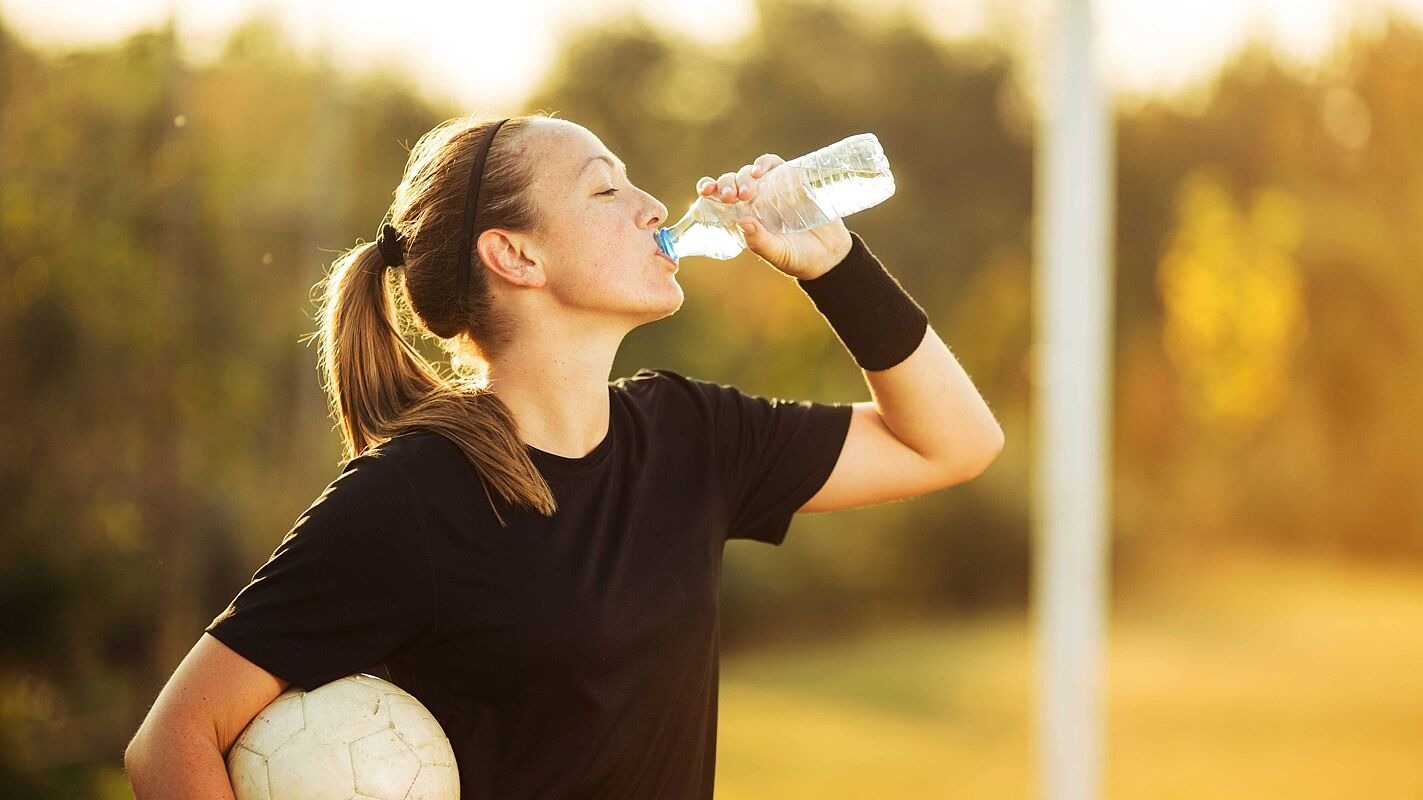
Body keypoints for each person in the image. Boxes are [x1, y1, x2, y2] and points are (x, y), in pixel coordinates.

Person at [123, 112, 1004, 799]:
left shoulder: (689, 434)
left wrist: (833, 262)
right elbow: (171, 745)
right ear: (515, 255)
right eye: (604, 189)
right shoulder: (412, 497)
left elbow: (954, 442)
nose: (652, 206)